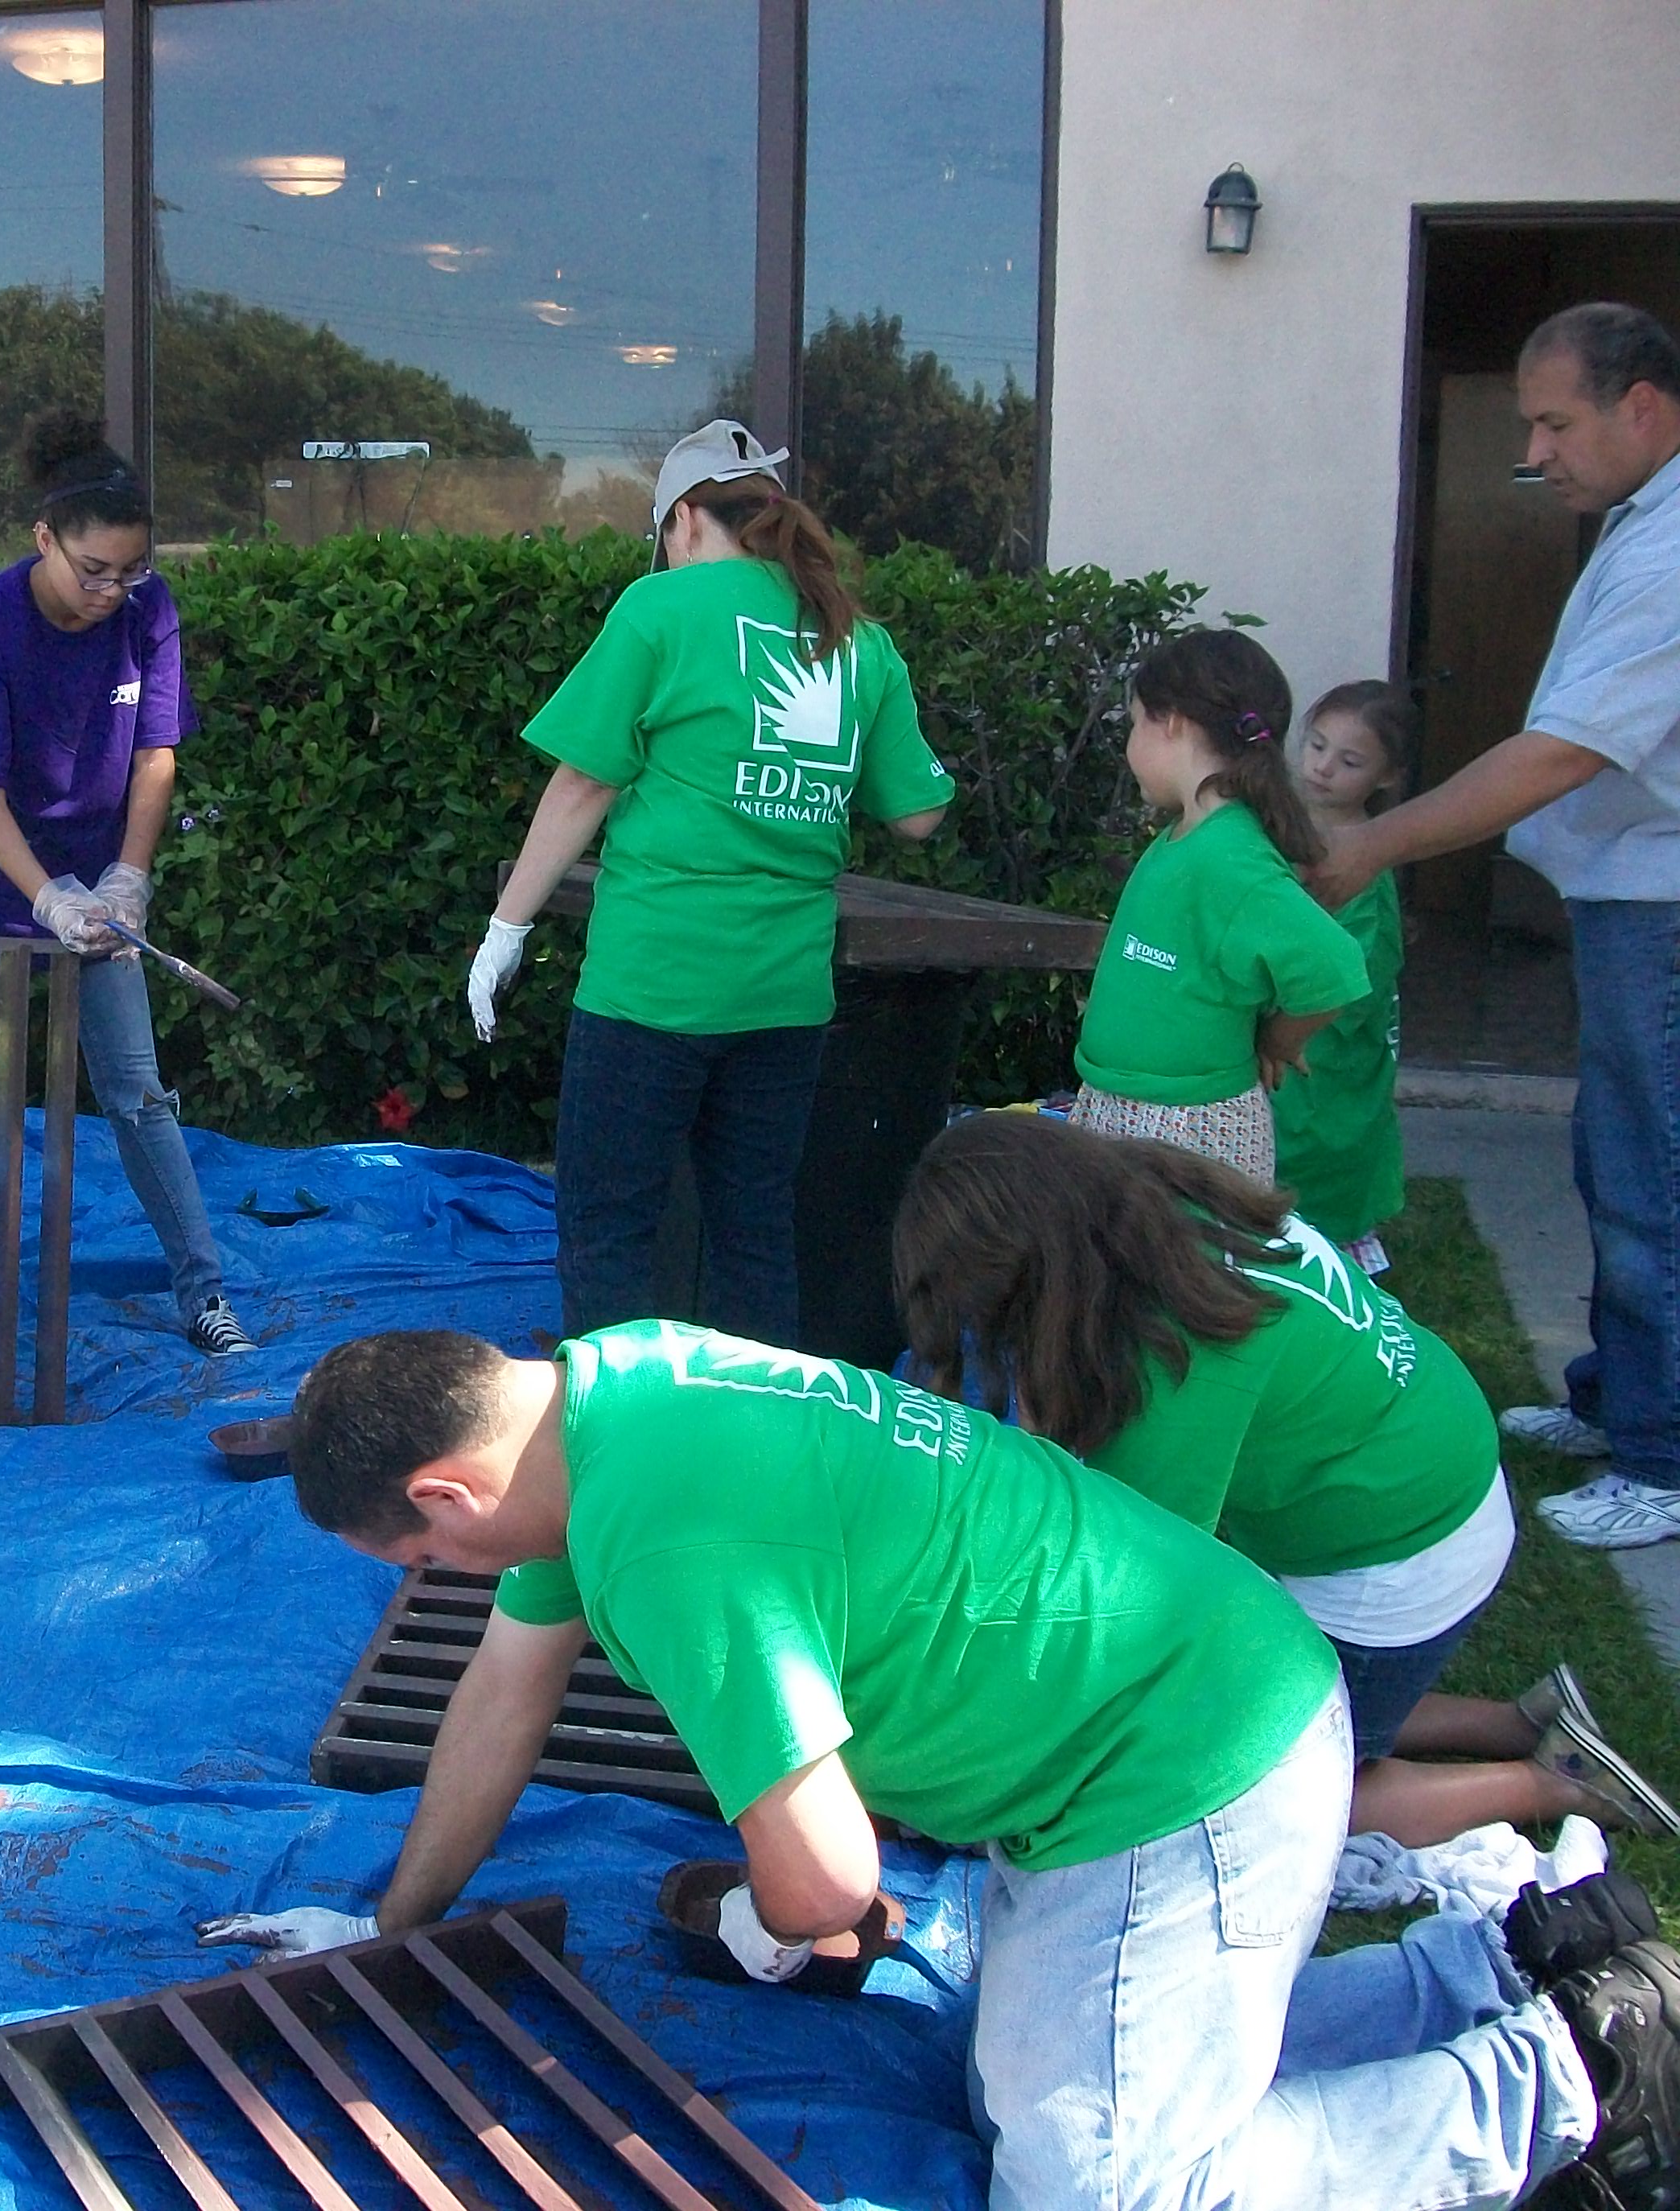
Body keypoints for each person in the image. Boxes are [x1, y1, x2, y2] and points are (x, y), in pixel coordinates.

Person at [207, 1322, 1648, 2209]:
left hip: (1188, 1766)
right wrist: (390, 1923)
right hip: (1137, 1724)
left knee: (1104, 2191)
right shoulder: (605, 1394)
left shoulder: (668, 1540)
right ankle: (1499, 1966)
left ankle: (1583, 2066)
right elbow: (500, 1695)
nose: (444, 1581)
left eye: (421, 1558)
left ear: (445, 1493)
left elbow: (832, 1880)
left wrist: (763, 1922)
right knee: (1018, 2102)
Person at [893, 1110, 1674, 1851]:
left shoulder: (1175, 1366)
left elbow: (1128, 1593)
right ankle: (1515, 1721)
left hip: (1400, 1561)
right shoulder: (1152, 1202)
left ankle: (1553, 1781)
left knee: (1249, 1786)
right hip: (1430, 1470)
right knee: (1260, 1690)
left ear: (1037, 1275)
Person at [1309, 303, 1680, 1552]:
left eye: (1554, 423)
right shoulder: (1640, 520)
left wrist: (1372, 844)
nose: (1534, 452)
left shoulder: (1673, 546)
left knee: (1652, 1176)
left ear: (1641, 406)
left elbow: (1563, 751)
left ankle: (1664, 1457)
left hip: (1661, 906)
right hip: (1627, 898)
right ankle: (1618, 1399)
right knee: (1615, 1158)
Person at [466, 422, 951, 1344]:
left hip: (652, 985)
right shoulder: (858, 639)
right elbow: (918, 815)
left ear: (685, 519)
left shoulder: (659, 609)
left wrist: (506, 930)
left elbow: (583, 785)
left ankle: (619, 1423)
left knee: (609, 1228)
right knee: (754, 1231)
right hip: (784, 995)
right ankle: (751, 1424)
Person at [0, 413, 250, 1358]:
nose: (109, 591)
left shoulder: (147, 608)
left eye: (128, 571)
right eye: (92, 570)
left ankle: (205, 1295)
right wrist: (47, 898)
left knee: (137, 1092)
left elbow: (154, 755)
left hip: (97, 887)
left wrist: (125, 879)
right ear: (44, 540)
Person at [1070, 628, 1369, 1179]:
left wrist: (1276, 1042)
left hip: (1184, 1130)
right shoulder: (1188, 838)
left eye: (1135, 723)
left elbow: (1335, 966)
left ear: (1172, 722)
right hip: (1131, 1112)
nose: (1130, 742)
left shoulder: (1230, 858)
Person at [1274, 681, 1413, 1273]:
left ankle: (1330, 1274)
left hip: (1323, 1048)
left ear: (1387, 777)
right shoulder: (1279, 832)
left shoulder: (1366, 872)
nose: (1323, 768)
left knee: (1319, 1156)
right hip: (1276, 1035)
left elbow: (1356, 984)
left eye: (1350, 761)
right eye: (1317, 745)